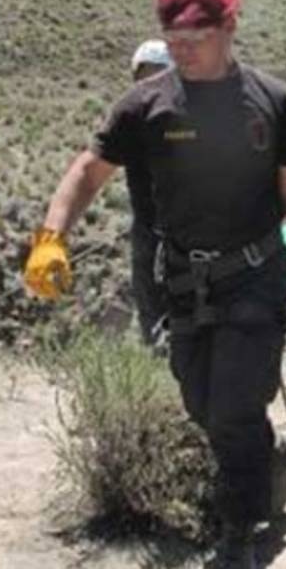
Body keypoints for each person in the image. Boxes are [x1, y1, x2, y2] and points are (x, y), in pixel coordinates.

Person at [23, 0, 286, 568]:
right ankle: (266, 467)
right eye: (173, 40)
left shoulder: (270, 99)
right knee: (200, 402)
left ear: (230, 27)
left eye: (196, 39)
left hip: (256, 271)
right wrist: (50, 238)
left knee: (232, 406)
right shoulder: (147, 104)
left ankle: (239, 533)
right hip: (184, 280)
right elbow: (88, 170)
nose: (182, 53)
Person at [125, 38, 173, 345]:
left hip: (189, 231)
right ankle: (155, 362)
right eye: (145, 76)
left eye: (159, 74)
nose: (151, 83)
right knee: (148, 299)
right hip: (146, 229)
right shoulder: (129, 120)